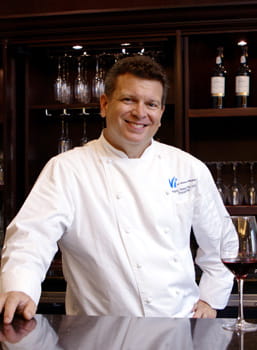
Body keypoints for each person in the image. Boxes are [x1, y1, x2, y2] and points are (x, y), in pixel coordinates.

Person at [0, 55, 237, 324]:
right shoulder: (67, 169)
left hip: (177, 329)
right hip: (97, 332)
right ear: (104, 104)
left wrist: (211, 299)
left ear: (161, 113)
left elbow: (222, 244)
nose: (140, 112)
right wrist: (18, 287)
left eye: (151, 104)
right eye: (128, 100)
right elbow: (31, 239)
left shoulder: (188, 169)